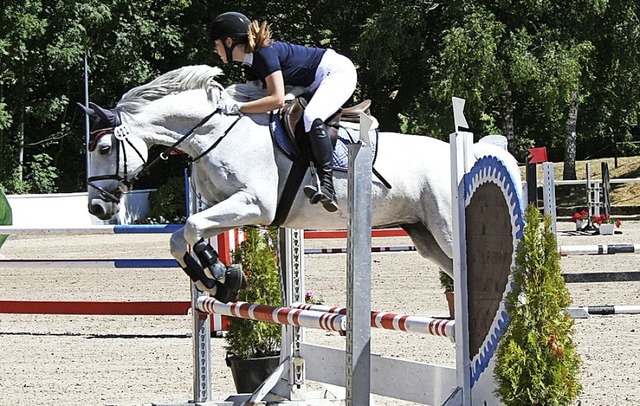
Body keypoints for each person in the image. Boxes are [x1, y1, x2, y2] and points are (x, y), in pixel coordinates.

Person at [210, 11, 358, 213]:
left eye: (216, 44)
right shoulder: (250, 64)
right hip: (310, 82)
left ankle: (327, 185)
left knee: (311, 116)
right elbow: (258, 101)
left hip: (336, 72)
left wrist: (238, 107)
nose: (215, 50)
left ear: (228, 41)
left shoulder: (263, 54)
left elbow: (276, 100)